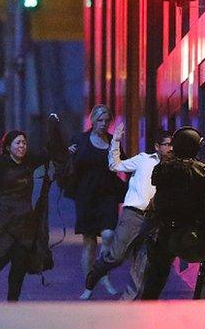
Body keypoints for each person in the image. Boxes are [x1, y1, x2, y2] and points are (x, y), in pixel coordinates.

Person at [83, 123, 173, 300]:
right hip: (134, 214)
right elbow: (115, 166)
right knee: (116, 257)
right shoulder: (144, 160)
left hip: (154, 219)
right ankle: (96, 272)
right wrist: (116, 140)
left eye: (172, 145)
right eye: (167, 144)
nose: (170, 148)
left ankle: (125, 304)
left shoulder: (174, 168)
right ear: (157, 146)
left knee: (142, 263)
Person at [0, 112, 57, 301]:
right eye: (18, 143)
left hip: (25, 222)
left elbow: (49, 152)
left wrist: (53, 127)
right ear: (8, 146)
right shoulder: (1, 163)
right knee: (0, 256)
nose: (22, 146)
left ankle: (12, 304)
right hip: (3, 219)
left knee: (19, 263)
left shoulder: (30, 161)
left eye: (24, 143)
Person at [141, 126, 205, 300]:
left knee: (154, 283)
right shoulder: (200, 170)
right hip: (195, 232)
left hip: (165, 232)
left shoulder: (163, 168)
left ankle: (143, 311)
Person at [69, 104, 126, 299]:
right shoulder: (80, 140)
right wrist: (68, 154)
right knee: (89, 242)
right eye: (99, 120)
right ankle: (89, 285)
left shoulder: (112, 142)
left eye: (106, 121)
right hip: (86, 196)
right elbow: (67, 165)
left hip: (107, 194)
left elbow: (123, 164)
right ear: (92, 120)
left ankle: (103, 274)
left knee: (109, 234)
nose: (103, 124)